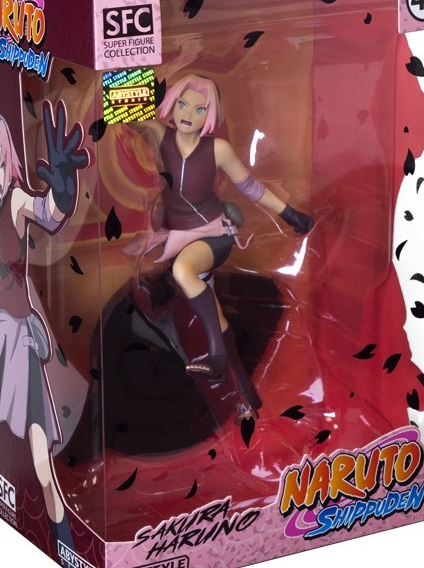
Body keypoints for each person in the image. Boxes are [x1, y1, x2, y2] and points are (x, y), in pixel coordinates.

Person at [129, 74, 314, 418]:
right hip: (179, 237)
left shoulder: (217, 149)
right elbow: (124, 112)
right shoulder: (159, 135)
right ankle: (246, 393)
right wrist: (130, 75)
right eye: (182, 104)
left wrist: (290, 214)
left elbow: (251, 187)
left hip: (214, 234)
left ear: (210, 114)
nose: (189, 114)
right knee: (213, 313)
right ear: (171, 104)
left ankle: (215, 356)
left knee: (184, 271)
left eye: (200, 109)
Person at [0, 101, 89, 568]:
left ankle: (66, 546)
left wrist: (64, 186)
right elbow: (0, 276)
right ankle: (60, 544)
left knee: (41, 461)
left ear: (9, 157)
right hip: (0, 337)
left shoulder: (14, 201)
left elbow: (47, 212)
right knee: (28, 457)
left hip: (22, 341)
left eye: (0, 156)